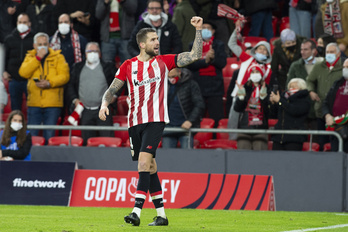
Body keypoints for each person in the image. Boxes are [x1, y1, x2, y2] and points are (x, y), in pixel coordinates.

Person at [99, 16, 203, 226]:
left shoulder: (164, 61)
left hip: (156, 120)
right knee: (151, 168)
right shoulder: (128, 65)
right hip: (134, 123)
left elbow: (195, 55)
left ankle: (136, 212)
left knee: (143, 163)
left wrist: (198, 30)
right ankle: (162, 216)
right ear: (142, 44)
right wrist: (104, 104)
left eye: (158, 38)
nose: (157, 42)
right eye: (153, 39)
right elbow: (112, 90)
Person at [18, 32, 70, 142]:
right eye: (40, 44)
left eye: (45, 44)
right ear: (34, 45)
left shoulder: (58, 57)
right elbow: (23, 73)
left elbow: (65, 76)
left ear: (49, 45)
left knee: (49, 133)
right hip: (34, 103)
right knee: (32, 134)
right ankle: (31, 157)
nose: (43, 46)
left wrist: (49, 83)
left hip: (53, 103)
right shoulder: (30, 57)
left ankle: (49, 158)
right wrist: (37, 58)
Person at [67, 42, 116, 145]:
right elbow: (70, 85)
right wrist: (75, 100)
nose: (92, 53)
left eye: (95, 51)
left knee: (108, 141)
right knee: (87, 142)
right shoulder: (77, 67)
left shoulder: (108, 67)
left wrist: (114, 96)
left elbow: (119, 82)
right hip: (85, 111)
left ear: (99, 53)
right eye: (90, 51)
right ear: (85, 53)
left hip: (103, 110)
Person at [187, 21, 226, 128]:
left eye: (208, 28)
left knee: (217, 117)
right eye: (203, 28)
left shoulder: (219, 45)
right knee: (196, 116)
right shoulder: (193, 45)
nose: (205, 30)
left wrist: (212, 59)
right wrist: (205, 61)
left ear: (213, 31)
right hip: (198, 86)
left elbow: (222, 63)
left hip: (215, 87)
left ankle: (215, 140)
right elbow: (190, 64)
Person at [306, 42, 343, 150]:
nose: (329, 54)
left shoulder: (344, 66)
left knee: (337, 145)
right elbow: (309, 81)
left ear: (338, 54)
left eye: (332, 52)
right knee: (322, 144)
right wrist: (311, 91)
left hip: (339, 115)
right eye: (327, 52)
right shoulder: (319, 66)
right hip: (321, 111)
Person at [162, 68, 205, 148]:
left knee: (187, 157)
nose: (172, 79)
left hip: (185, 127)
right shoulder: (163, 84)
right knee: (167, 158)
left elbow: (199, 104)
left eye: (174, 76)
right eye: (169, 77)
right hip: (168, 127)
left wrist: (190, 121)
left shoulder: (191, 84)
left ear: (179, 72)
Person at [234, 63, 269, 150]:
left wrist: (264, 98)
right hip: (244, 127)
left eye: (257, 72)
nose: (255, 74)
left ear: (261, 74)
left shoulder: (268, 88)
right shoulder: (245, 88)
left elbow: (271, 112)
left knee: (260, 156)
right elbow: (237, 109)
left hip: (261, 128)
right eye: (252, 72)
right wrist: (241, 98)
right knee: (243, 156)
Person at [3, 13, 34, 111]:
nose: (22, 24)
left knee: (32, 108)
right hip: (14, 79)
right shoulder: (9, 38)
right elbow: (5, 57)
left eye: (25, 22)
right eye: (20, 22)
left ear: (29, 23)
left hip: (29, 80)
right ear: (16, 23)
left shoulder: (34, 39)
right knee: (15, 109)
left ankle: (30, 127)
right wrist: (4, 71)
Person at [269, 78, 310, 151]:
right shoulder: (283, 97)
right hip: (278, 137)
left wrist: (280, 101)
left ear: (301, 88)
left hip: (294, 138)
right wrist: (273, 103)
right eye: (290, 86)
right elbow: (274, 113)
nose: (291, 88)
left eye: (294, 86)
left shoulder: (305, 99)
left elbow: (295, 111)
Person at [322, 58, 348, 153]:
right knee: (336, 159)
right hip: (337, 129)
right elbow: (325, 103)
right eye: (344, 67)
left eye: (347, 67)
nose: (345, 69)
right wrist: (327, 115)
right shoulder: (338, 83)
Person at [271, 28, 305, 93]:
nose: (291, 45)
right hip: (284, 76)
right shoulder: (278, 49)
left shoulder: (301, 46)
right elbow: (274, 67)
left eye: (293, 42)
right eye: (288, 43)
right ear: (283, 43)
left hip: (299, 74)